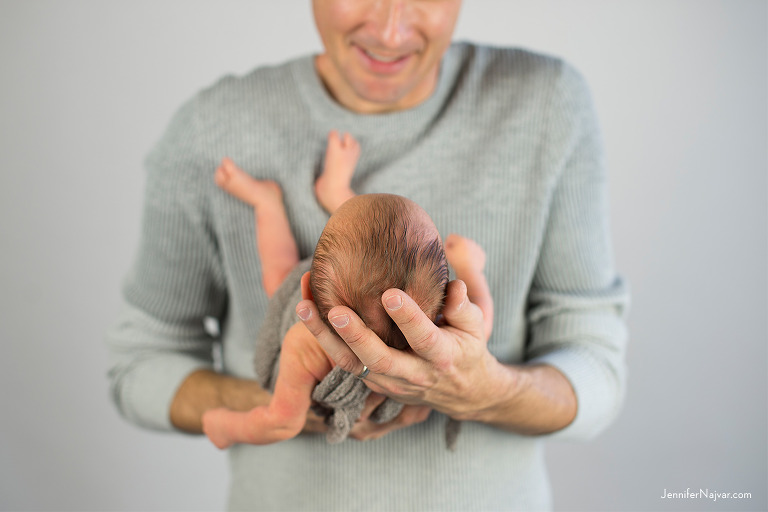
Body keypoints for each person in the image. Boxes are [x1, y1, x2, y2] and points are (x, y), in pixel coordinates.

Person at [106, 1, 629, 509]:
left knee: (279, 291)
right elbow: (140, 364)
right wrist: (305, 404)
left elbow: (595, 361)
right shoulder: (211, 128)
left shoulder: (547, 104)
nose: (391, 31)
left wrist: (487, 391)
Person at [202, 131, 493, 450]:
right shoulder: (438, 331)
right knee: (377, 237)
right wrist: (470, 269)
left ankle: (267, 202)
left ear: (310, 295)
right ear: (446, 296)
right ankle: (332, 192)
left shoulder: (305, 342)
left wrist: (226, 427)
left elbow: (281, 420)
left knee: (283, 274)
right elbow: (480, 324)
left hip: (311, 328)